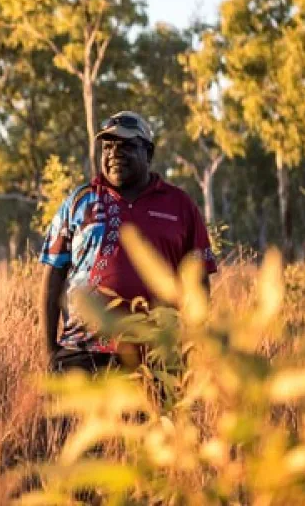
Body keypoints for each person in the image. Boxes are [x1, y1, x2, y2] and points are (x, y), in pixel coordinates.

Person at [39, 110, 218, 374]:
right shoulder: (80, 201)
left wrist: (190, 347)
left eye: (127, 146)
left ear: (149, 153)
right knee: (70, 418)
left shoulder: (180, 205)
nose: (114, 153)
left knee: (155, 417)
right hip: (83, 352)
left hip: (157, 355)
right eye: (108, 147)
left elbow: (199, 282)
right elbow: (53, 275)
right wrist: (50, 351)